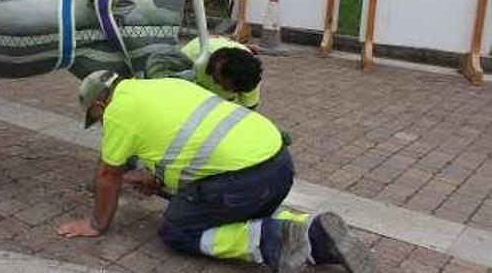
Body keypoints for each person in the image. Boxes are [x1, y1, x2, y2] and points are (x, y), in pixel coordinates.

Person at [57, 71, 375, 273]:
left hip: (241, 182)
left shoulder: (118, 112)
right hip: (279, 165)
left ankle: (274, 240)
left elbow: (107, 175)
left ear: (100, 105)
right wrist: (159, 180)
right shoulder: (167, 84)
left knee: (178, 231)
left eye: (95, 118)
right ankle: (317, 236)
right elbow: (194, 140)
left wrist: (96, 224)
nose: (100, 123)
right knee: (229, 213)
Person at [145, 36, 262, 109]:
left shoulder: (249, 73)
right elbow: (169, 94)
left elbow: (249, 107)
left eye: (227, 88)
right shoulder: (191, 56)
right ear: (216, 66)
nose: (221, 87)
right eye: (218, 81)